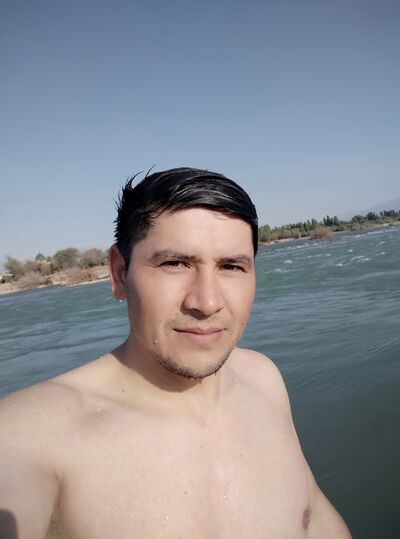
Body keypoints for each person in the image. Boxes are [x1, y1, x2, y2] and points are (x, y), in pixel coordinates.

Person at [0, 167, 351, 538]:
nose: (207, 302)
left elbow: (315, 519)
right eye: (175, 264)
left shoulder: (263, 379)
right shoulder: (32, 434)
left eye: (231, 266)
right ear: (119, 273)